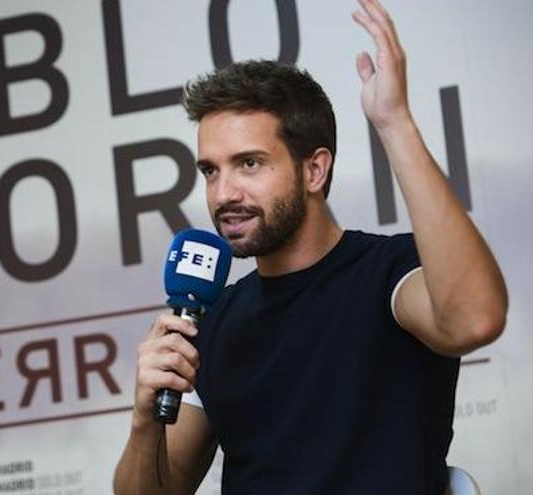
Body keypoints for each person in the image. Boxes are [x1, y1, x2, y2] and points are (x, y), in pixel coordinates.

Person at [113, 0, 508, 493]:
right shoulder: (211, 323)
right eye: (211, 170)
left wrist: (393, 123)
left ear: (314, 170)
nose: (223, 193)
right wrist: (145, 417)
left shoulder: (390, 273)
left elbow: (475, 318)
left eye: (249, 164)